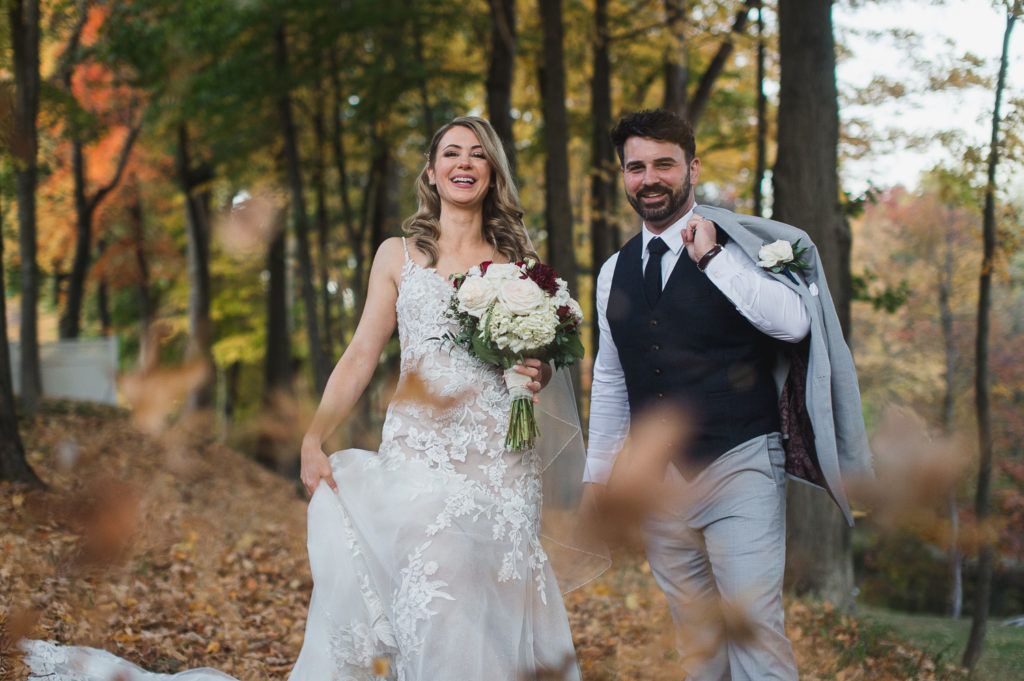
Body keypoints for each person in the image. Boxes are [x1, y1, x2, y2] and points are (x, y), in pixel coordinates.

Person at [21, 116, 599, 681]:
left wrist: (535, 373)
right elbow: (359, 356)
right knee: (439, 581)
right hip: (425, 454)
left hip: (500, 460)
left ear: (493, 173)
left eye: (477, 154)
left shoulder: (522, 270)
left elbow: (538, 363)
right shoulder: (397, 256)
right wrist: (313, 435)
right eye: (452, 152)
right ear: (431, 172)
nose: (464, 163)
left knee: (495, 589)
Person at [584, 109, 873, 680]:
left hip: (740, 464)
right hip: (660, 486)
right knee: (698, 649)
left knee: (757, 636)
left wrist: (712, 259)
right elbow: (614, 379)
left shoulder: (737, 247)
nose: (650, 179)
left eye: (663, 164)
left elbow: (794, 325)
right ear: (623, 175)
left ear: (691, 168)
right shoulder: (612, 272)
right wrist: (597, 479)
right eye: (636, 167)